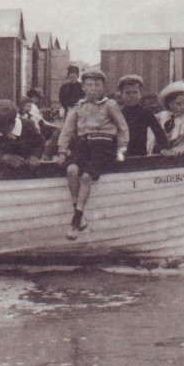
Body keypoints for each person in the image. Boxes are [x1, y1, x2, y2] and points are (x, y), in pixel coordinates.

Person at [57, 69, 129, 239]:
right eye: (89, 85)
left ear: (103, 87)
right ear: (83, 87)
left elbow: (123, 129)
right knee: (72, 170)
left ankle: (75, 221)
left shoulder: (109, 105)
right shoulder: (77, 107)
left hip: (103, 146)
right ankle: (80, 213)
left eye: (97, 85)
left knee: (87, 176)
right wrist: (61, 151)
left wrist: (121, 152)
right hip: (82, 146)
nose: (93, 89)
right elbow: (66, 131)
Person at [0, 99, 44, 168]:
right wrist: (3, 158)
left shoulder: (28, 126)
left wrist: (34, 156)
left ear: (10, 124)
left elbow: (39, 143)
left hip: (26, 172)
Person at [117, 74, 169, 156]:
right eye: (128, 93)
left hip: (141, 157)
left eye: (135, 92)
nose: (131, 96)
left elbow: (160, 134)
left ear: (140, 93)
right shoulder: (117, 115)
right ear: (121, 94)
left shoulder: (146, 114)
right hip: (122, 158)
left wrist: (163, 148)